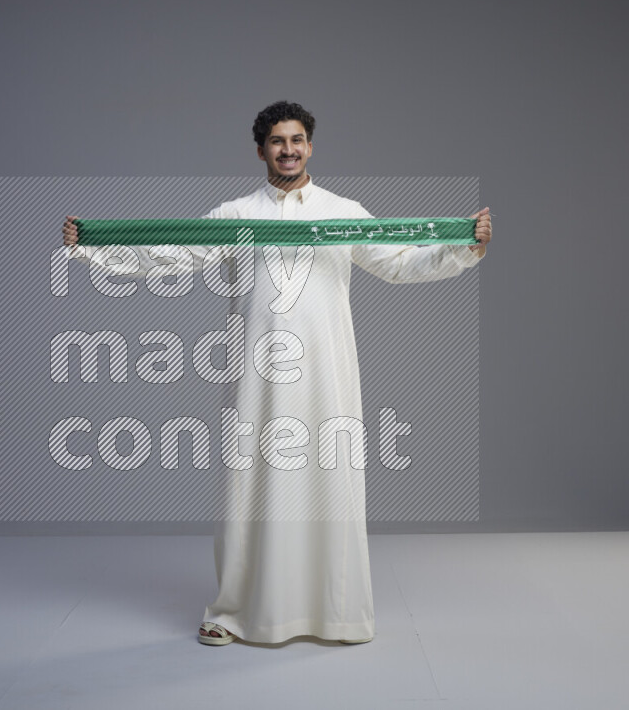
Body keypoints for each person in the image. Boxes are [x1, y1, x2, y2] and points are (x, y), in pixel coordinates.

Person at [62, 101, 492, 646]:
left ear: (310, 146)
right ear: (261, 148)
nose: (287, 150)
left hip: (326, 373)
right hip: (256, 376)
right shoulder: (237, 215)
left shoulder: (342, 211)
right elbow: (173, 254)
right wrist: (94, 249)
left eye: (296, 140)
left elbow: (399, 261)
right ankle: (237, 610)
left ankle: (334, 612)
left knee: (326, 482)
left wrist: (463, 247)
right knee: (251, 484)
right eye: (276, 141)